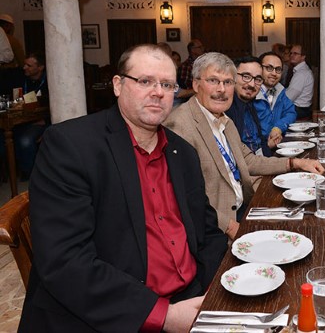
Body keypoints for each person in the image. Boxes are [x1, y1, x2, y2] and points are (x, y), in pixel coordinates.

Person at [19, 44, 228, 332]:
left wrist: (209, 292)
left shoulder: (183, 153)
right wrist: (163, 315)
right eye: (145, 81)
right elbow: (65, 260)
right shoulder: (71, 146)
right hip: (112, 315)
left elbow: (208, 232)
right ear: (118, 85)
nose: (158, 92)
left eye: (167, 85)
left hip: (189, 299)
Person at [164, 52, 324, 240]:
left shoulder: (224, 120)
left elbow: (248, 160)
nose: (221, 89)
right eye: (213, 81)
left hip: (244, 205)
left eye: (228, 82)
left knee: (309, 220)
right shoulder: (179, 125)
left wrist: (295, 163)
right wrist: (231, 227)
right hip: (215, 229)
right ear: (196, 84)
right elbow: (184, 196)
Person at [225, 56, 278, 156]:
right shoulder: (225, 109)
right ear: (233, 77)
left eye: (258, 79)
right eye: (246, 77)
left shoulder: (250, 104)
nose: (252, 84)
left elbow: (257, 144)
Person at [255, 51, 297, 146]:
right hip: (258, 148)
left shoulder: (279, 90)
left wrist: (278, 128)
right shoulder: (251, 93)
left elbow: (291, 113)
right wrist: (267, 145)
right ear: (259, 69)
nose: (274, 73)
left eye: (278, 69)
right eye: (269, 68)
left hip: (276, 144)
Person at [285, 44, 314, 119]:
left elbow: (289, 97)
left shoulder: (301, 73)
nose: (292, 55)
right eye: (291, 53)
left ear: (303, 56)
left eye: (295, 53)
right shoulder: (301, 70)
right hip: (301, 109)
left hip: (299, 110)